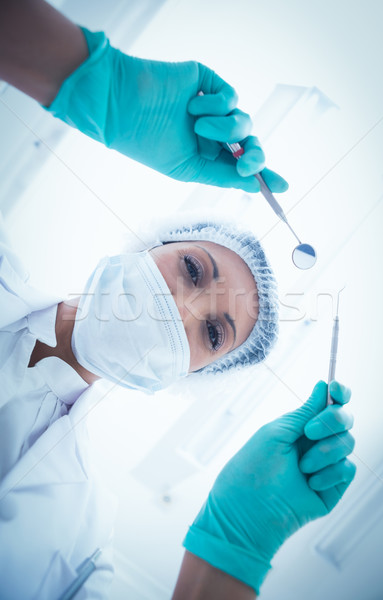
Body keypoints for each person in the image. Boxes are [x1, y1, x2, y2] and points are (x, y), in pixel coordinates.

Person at [0, 1, 356, 599]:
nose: (183, 306)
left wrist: (230, 550)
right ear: (151, 244)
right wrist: (95, 81)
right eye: (192, 269)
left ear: (194, 374)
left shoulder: (76, 544)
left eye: (213, 333)